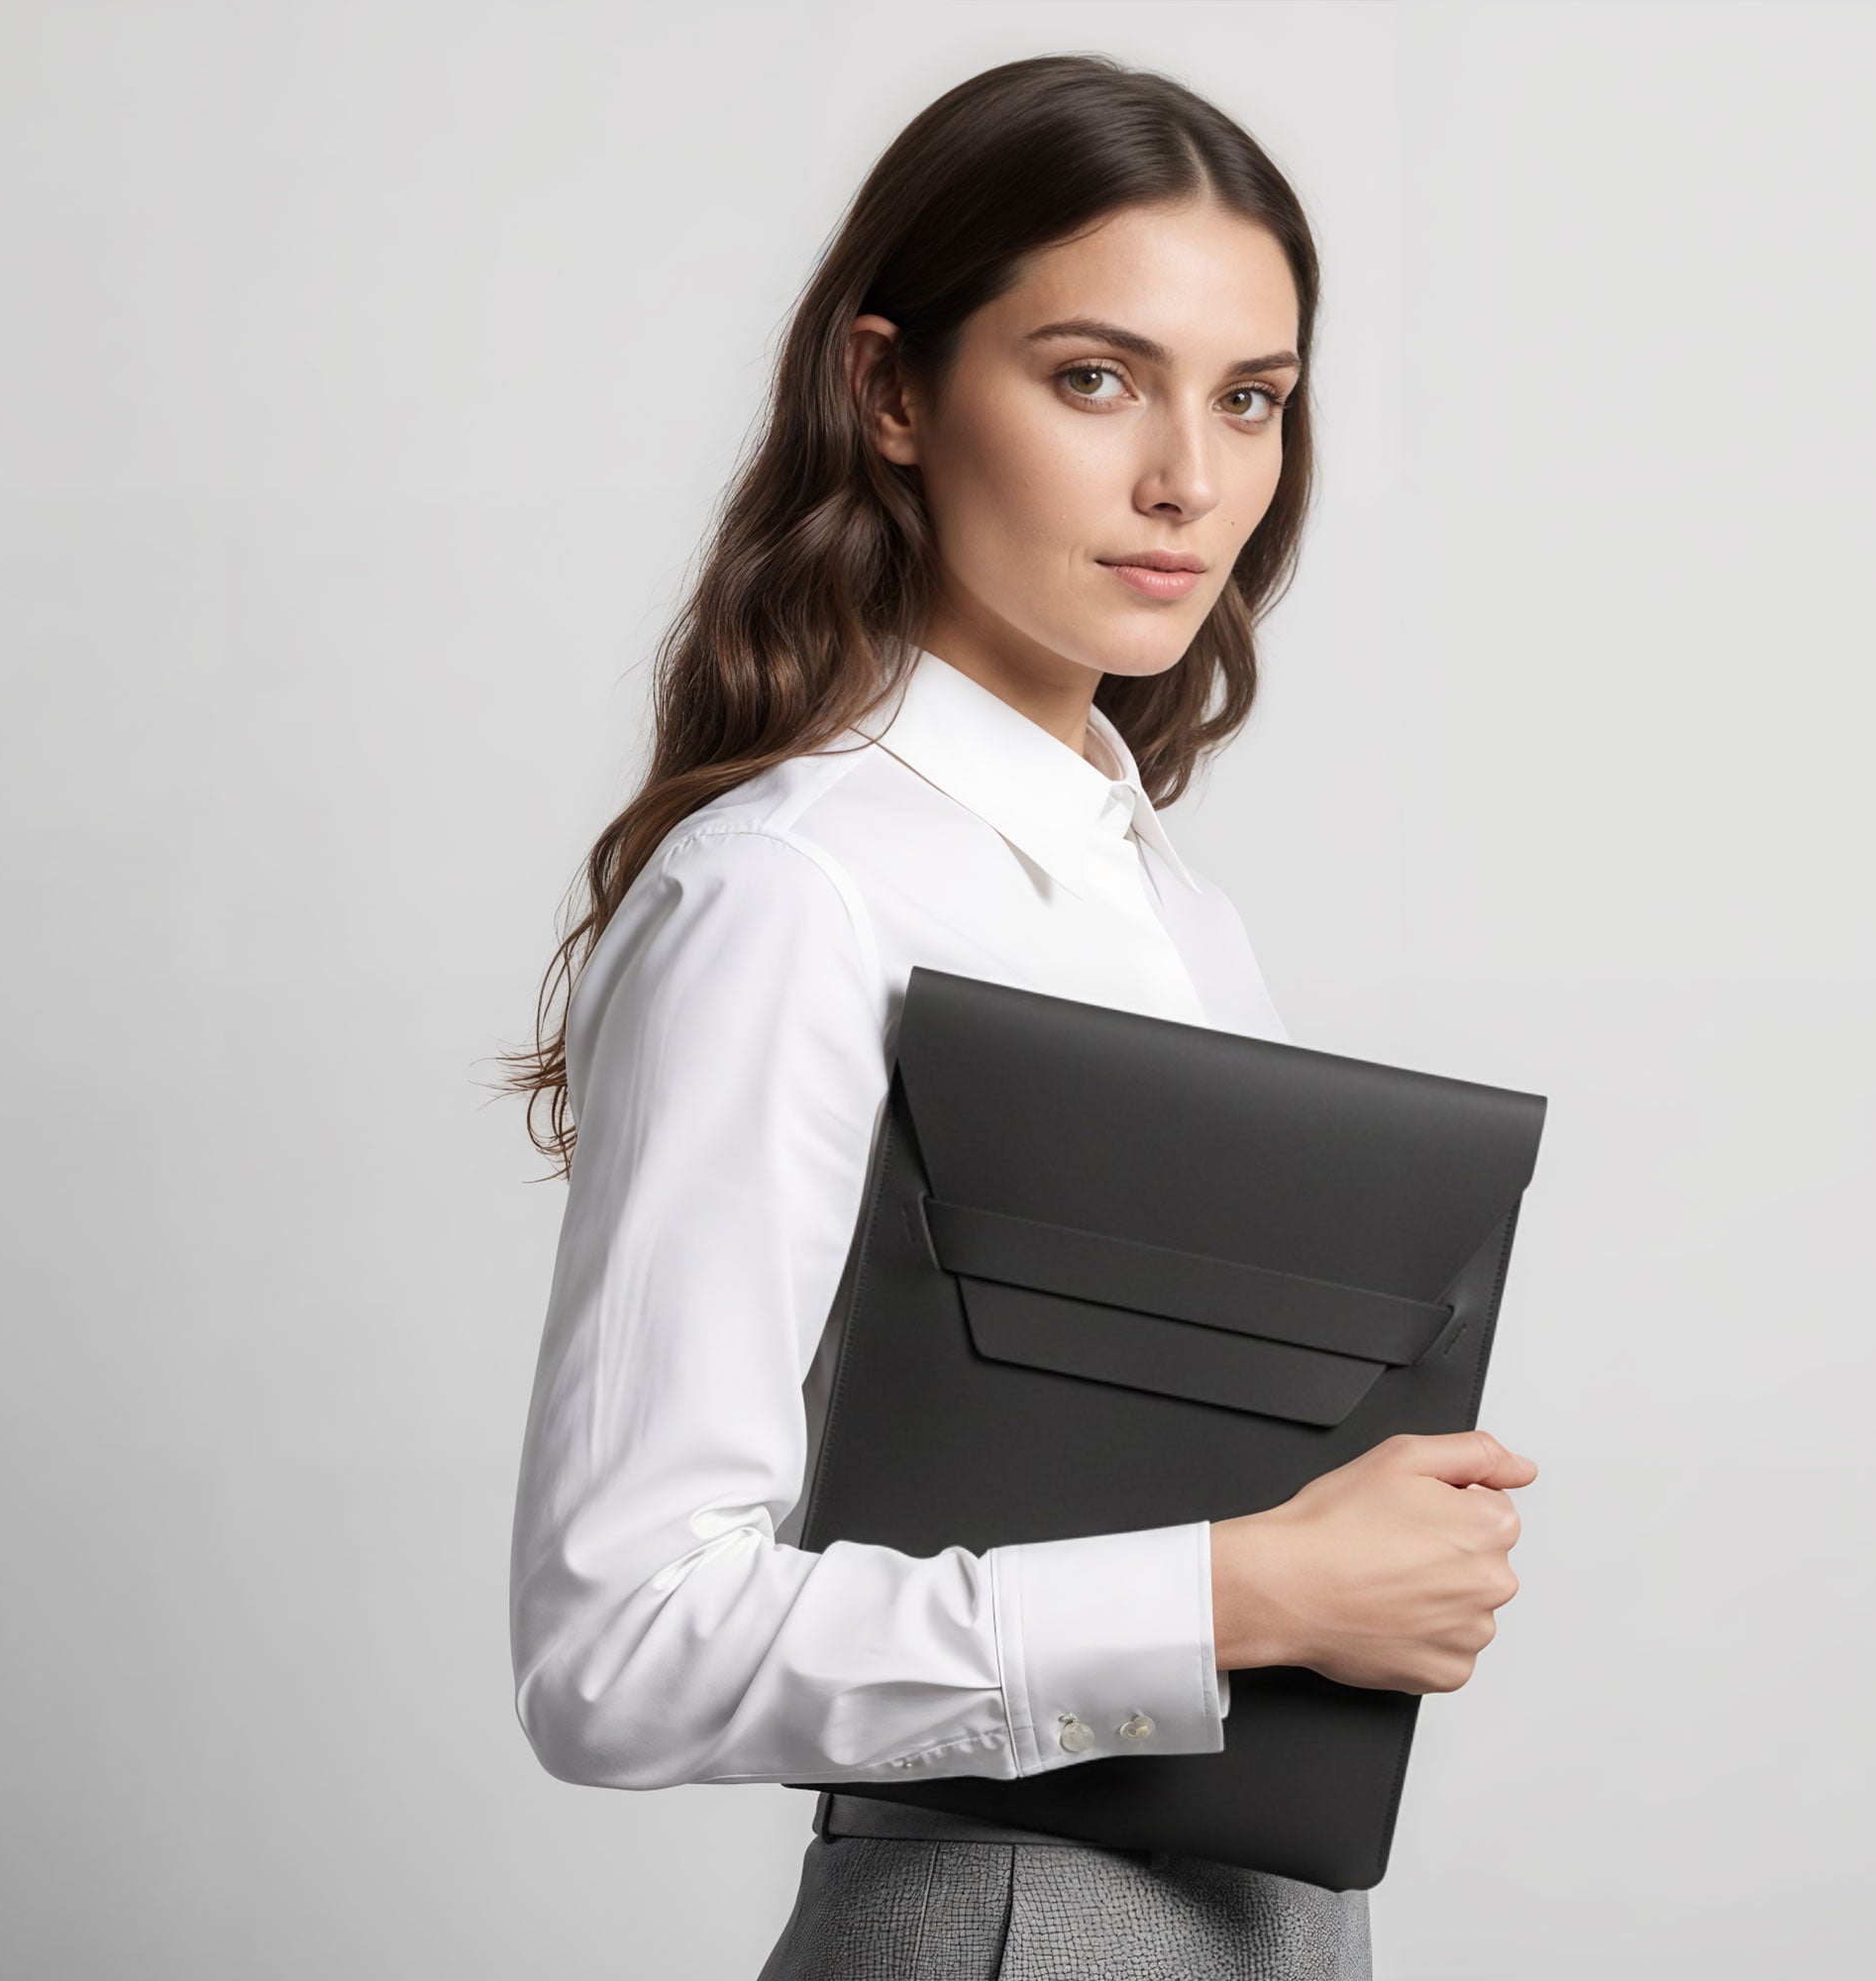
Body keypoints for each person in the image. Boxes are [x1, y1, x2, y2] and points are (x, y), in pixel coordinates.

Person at [501, 53, 1534, 1981]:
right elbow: (617, 1649)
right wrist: (1242, 1592)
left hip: (1273, 1925)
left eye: (1250, 398)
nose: (1189, 479)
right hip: (1007, 1921)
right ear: (890, 393)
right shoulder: (791, 890)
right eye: (1095, 378)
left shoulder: (1178, 913)